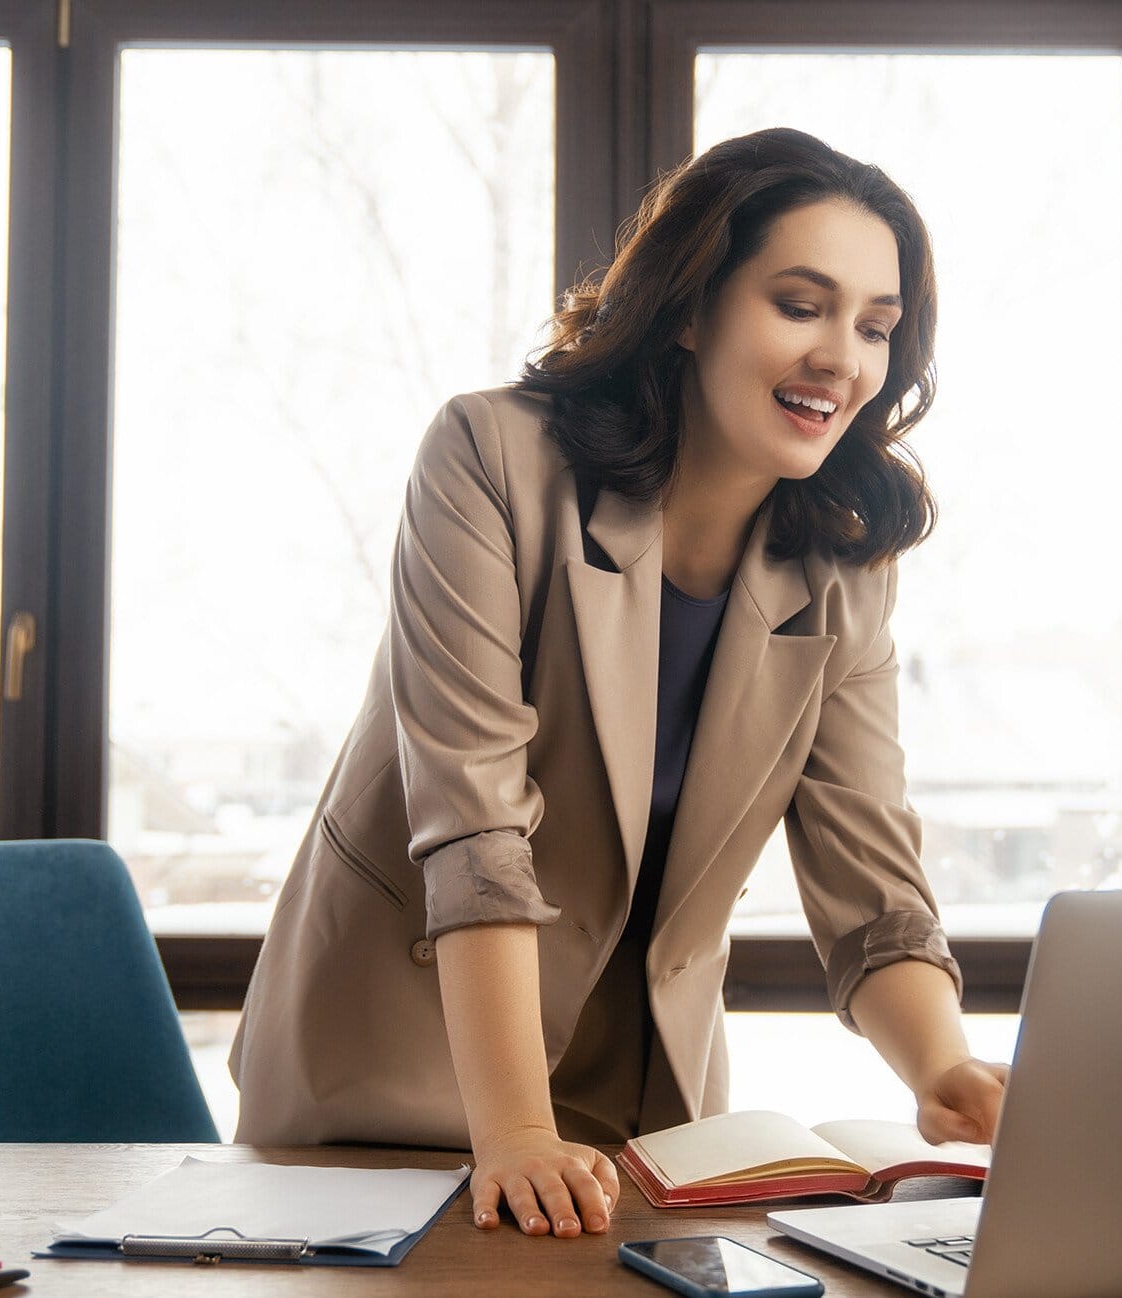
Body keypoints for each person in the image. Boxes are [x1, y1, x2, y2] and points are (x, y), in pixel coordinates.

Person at [230, 126, 1008, 1242]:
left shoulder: (843, 564)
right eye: (800, 304)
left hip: (645, 1123)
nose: (844, 355)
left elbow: (869, 876)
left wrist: (943, 1064)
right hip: (399, 1082)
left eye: (876, 326)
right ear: (690, 310)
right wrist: (512, 1131)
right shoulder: (490, 456)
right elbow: (474, 828)